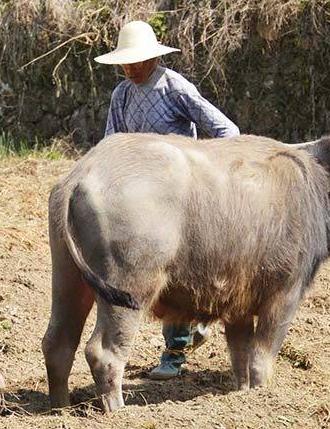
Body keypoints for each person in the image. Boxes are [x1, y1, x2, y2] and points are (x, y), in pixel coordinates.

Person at [94, 19, 240, 380]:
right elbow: (111, 145)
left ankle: (175, 354)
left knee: (178, 273)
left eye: (135, 61)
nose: (129, 68)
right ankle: (192, 332)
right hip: (143, 196)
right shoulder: (121, 96)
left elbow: (225, 129)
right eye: (124, 63)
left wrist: (206, 166)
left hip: (182, 193)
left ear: (151, 58)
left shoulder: (174, 87)